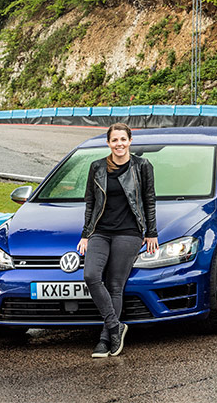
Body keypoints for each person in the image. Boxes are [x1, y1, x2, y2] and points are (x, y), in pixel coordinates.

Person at [77, 123, 158, 358]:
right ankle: (115, 327)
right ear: (108, 142)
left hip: (129, 232)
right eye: (115, 140)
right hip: (101, 231)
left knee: (115, 284)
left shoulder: (142, 166)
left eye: (123, 139)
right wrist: (86, 234)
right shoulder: (97, 167)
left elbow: (149, 200)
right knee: (91, 275)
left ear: (130, 141)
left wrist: (151, 232)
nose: (119, 144)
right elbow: (91, 203)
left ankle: (104, 339)